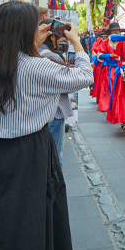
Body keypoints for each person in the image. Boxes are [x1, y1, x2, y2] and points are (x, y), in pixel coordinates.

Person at [0, 1, 92, 250]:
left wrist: (34, 44)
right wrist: (77, 43)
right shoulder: (40, 66)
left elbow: (15, 60)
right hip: (29, 150)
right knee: (29, 214)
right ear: (26, 30)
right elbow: (85, 77)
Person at [38, 19, 74, 168]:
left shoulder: (34, 51)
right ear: (51, 36)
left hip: (38, 110)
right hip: (54, 110)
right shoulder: (52, 57)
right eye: (58, 36)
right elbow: (71, 83)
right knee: (54, 155)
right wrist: (76, 42)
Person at [95, 22, 122, 113]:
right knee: (109, 90)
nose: (115, 32)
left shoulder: (124, 42)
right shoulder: (106, 42)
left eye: (117, 30)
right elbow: (99, 56)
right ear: (110, 32)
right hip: (109, 70)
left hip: (121, 69)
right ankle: (110, 107)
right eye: (113, 30)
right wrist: (110, 55)